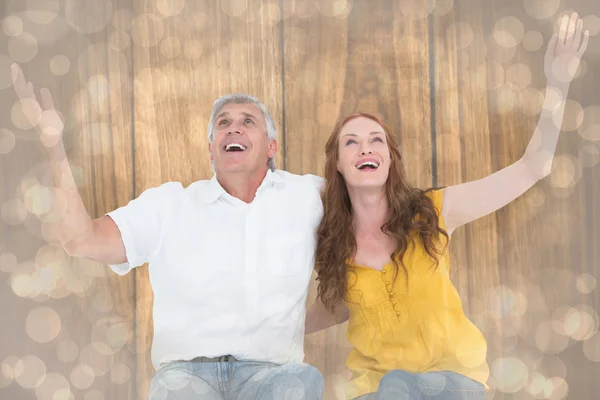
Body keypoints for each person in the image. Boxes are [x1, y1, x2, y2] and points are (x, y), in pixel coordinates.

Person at [305, 12, 589, 400]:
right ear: (337, 163)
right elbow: (336, 308)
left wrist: (558, 82)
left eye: (376, 140)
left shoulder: (431, 213)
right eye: (351, 141)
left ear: (390, 159)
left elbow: (533, 167)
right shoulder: (333, 242)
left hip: (454, 382)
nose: (366, 146)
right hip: (376, 391)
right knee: (391, 387)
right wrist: (252, 332)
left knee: (397, 385)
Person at [11, 64, 325, 399]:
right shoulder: (169, 204)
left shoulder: (308, 196)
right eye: (223, 123)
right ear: (211, 150)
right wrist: (52, 144)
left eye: (248, 121)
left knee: (299, 381)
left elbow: (369, 224)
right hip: (187, 377)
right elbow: (82, 239)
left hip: (273, 375)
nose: (234, 128)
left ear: (272, 147)